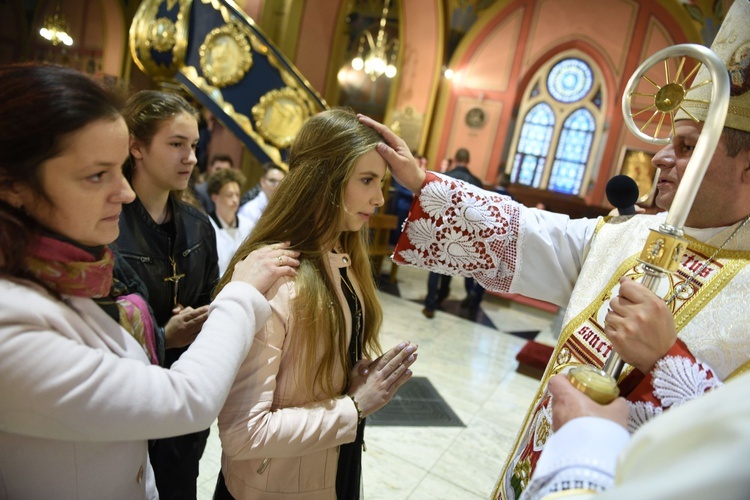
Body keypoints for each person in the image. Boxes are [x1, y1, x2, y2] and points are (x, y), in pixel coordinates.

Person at [360, 2, 750, 496]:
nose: (660, 157)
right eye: (670, 140)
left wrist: (666, 362)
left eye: (690, 146)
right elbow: (529, 234)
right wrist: (422, 183)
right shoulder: (627, 236)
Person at [0, 63, 300, 499]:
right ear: (13, 186)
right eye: (96, 175)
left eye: (117, 170)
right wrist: (242, 292)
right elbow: (188, 399)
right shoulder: (11, 321)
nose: (124, 193)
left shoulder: (73, 271)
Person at [212, 108, 419, 499]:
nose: (378, 198)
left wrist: (349, 377)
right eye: (367, 180)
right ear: (326, 181)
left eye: (382, 183)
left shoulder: (342, 257)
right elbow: (243, 433)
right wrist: (353, 407)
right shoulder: (277, 278)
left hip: (330, 464)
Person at [116, 89, 221, 499]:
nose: (191, 158)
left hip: (186, 402)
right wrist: (164, 333)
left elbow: (214, 294)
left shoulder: (198, 224)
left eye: (193, 145)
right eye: (176, 144)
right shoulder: (109, 224)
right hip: (131, 399)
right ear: (136, 147)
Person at [422, 148, 485, 320]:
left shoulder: (444, 176)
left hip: (442, 226)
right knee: (448, 266)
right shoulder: (477, 182)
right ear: (468, 160)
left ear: (456, 159)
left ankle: (430, 304)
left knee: (435, 267)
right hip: (461, 231)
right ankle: (442, 296)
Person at [207, 168, 254, 275]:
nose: (235, 200)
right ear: (215, 197)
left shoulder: (248, 225)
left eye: (237, 195)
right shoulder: (206, 226)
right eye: (229, 195)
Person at [237, 161, 286, 231]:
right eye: (272, 181)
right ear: (263, 182)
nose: (277, 186)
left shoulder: (285, 208)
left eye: (281, 182)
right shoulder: (249, 210)